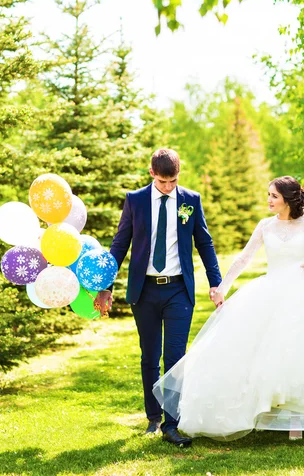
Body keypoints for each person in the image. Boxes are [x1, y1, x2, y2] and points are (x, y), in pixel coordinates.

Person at [153, 176, 304, 441]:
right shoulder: (265, 226)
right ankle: (265, 409)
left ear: (288, 199)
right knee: (266, 350)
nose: (268, 200)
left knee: (299, 350)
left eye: (274, 196)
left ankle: (296, 418)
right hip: (272, 290)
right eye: (268, 194)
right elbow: (244, 258)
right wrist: (222, 287)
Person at [95, 148, 222, 447]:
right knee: (149, 355)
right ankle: (153, 417)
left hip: (178, 289)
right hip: (145, 290)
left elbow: (204, 243)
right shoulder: (135, 200)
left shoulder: (190, 200)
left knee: (175, 357)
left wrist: (216, 283)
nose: (168, 187)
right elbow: (119, 244)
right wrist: (106, 286)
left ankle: (172, 424)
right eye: (163, 181)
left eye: (173, 181)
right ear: (152, 173)